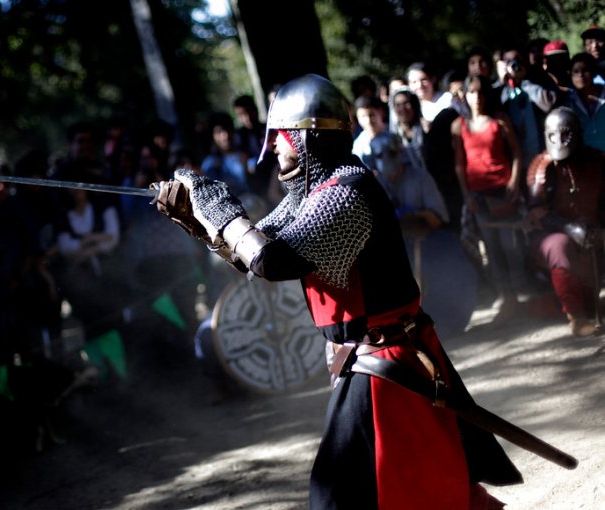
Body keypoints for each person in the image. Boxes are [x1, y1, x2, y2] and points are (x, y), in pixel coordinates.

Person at [154, 74, 521, 509]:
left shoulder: (348, 192)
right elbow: (250, 256)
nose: (272, 146)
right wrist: (198, 220)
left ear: (308, 138)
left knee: (346, 495)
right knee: (420, 485)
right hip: (370, 364)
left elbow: (272, 262)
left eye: (280, 136)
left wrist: (217, 206)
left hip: (387, 365)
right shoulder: (311, 196)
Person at [451, 74, 527, 321]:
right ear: (464, 95)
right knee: (492, 250)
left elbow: (517, 154)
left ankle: (521, 296)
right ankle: (507, 298)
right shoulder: (458, 126)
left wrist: (515, 183)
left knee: (511, 246)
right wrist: (466, 195)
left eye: (481, 92)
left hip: (504, 192)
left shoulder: (500, 121)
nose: (477, 97)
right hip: (479, 197)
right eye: (472, 92)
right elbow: (460, 165)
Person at [526, 108, 603, 337]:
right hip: (552, 235)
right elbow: (536, 212)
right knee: (560, 245)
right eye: (553, 135)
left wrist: (595, 226)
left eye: (565, 134)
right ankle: (576, 317)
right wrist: (569, 228)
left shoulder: (598, 160)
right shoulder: (541, 166)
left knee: (593, 301)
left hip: (593, 230)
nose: (559, 141)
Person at [566, 52, 605, 153]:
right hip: (584, 160)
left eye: (585, 70)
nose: (581, 75)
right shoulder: (569, 103)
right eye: (576, 71)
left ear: (594, 72)